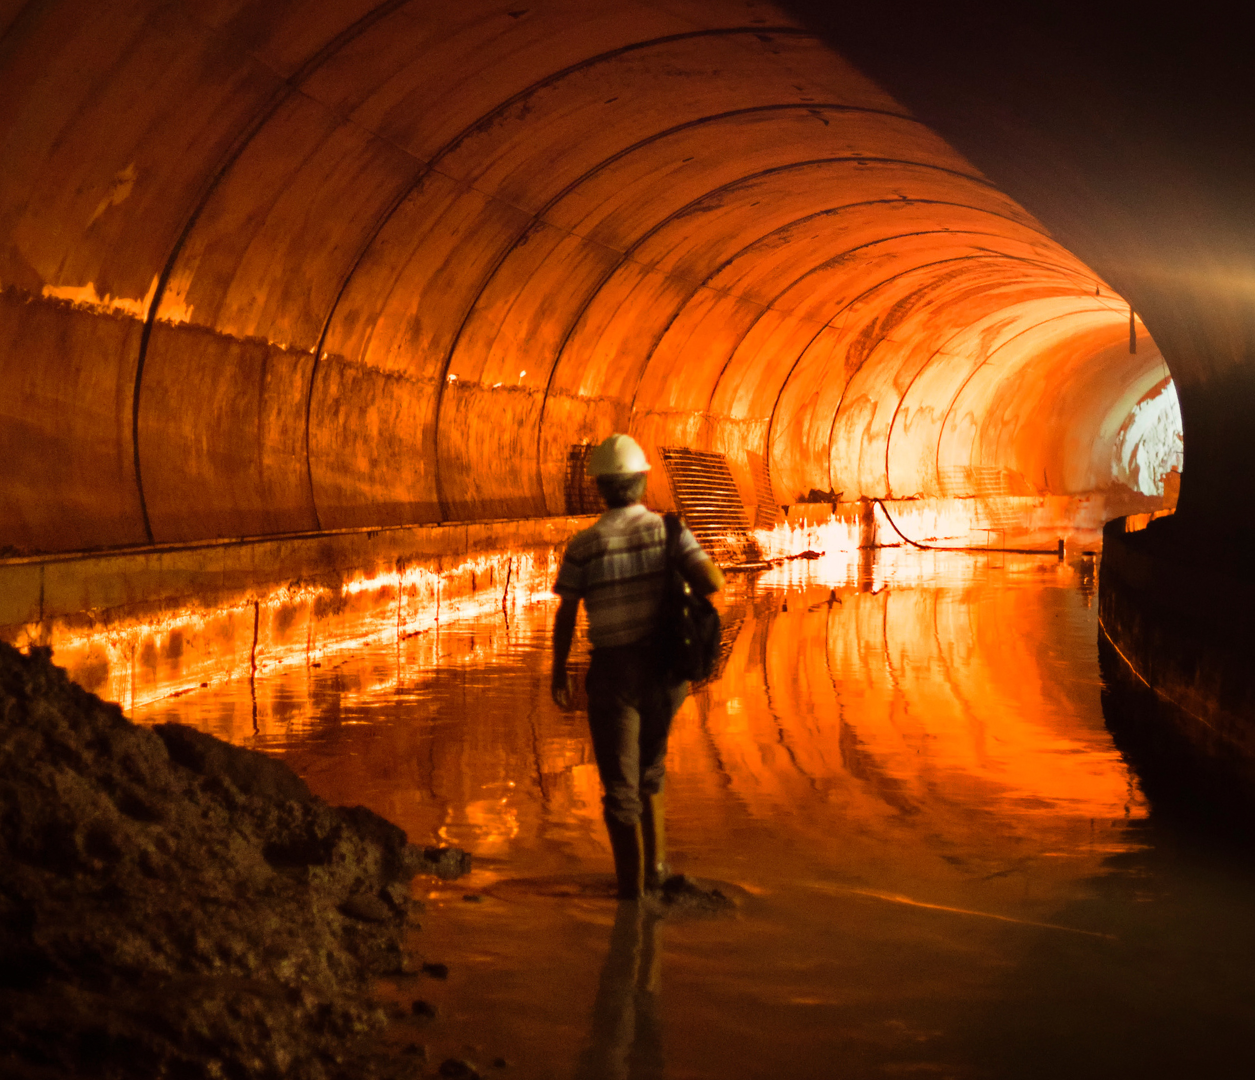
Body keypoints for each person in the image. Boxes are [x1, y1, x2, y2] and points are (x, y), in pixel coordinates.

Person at [551, 434, 724, 900]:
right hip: (665, 671)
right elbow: (711, 581)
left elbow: (566, 613)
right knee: (652, 770)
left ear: (600, 488)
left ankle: (632, 896)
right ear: (643, 481)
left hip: (613, 674)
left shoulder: (583, 545)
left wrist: (556, 672)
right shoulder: (670, 531)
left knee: (619, 785)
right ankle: (659, 870)